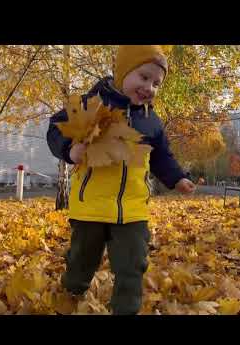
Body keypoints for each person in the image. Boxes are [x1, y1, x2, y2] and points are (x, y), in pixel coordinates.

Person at [47, 45, 196, 315]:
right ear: (123, 71)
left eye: (156, 83)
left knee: (133, 263)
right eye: (143, 77)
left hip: (132, 209)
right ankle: (71, 294)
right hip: (90, 207)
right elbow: (56, 127)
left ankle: (126, 308)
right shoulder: (91, 105)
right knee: (82, 259)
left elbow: (162, 156)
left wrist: (177, 178)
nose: (149, 87)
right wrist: (70, 149)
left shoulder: (151, 122)